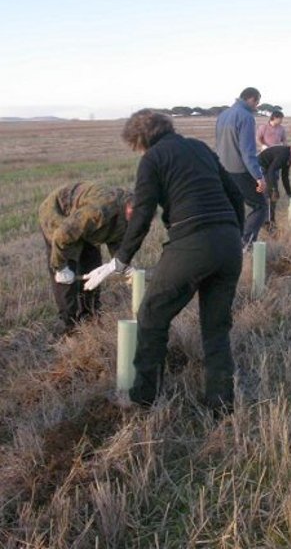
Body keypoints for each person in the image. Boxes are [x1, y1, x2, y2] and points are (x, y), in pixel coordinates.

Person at [84, 110, 245, 414]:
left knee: (152, 315)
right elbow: (235, 193)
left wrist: (119, 261)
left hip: (191, 244)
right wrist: (235, 234)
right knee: (216, 328)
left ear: (140, 140)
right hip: (228, 243)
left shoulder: (153, 159)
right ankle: (221, 405)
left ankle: (143, 398)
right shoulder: (198, 147)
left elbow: (142, 214)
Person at [38, 182, 134, 335]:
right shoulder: (100, 211)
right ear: (130, 208)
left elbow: (118, 239)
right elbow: (62, 235)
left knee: (93, 265)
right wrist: (60, 267)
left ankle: (90, 315)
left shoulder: (130, 216)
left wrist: (123, 264)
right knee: (67, 273)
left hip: (86, 223)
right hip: (60, 212)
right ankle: (68, 324)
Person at [215, 87, 267, 250]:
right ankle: (246, 245)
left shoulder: (223, 115)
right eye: (257, 102)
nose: (257, 106)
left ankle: (229, 246)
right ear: (250, 99)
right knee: (260, 206)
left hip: (222, 170)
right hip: (239, 171)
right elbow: (248, 152)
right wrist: (259, 177)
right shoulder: (246, 117)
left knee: (232, 209)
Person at [259, 141, 291, 228]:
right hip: (260, 166)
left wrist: (289, 193)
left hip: (268, 168)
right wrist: (274, 189)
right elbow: (271, 171)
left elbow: (285, 176)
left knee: (272, 195)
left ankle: (271, 221)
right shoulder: (284, 154)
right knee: (269, 194)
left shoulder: (289, 156)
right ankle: (268, 224)